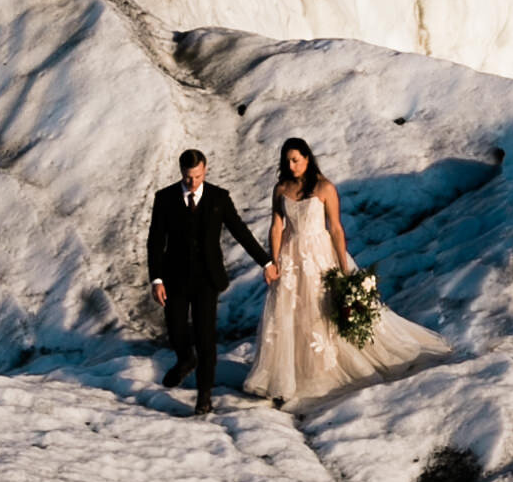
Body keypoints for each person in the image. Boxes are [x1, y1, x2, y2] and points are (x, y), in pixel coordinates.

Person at [244, 137, 451, 407]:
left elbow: (336, 228)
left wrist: (343, 267)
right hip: (291, 256)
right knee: (291, 312)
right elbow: (276, 227)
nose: (291, 165)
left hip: (320, 254)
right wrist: (274, 262)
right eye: (287, 161)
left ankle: (323, 370)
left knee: (322, 311)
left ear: (307, 158)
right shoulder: (281, 188)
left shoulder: (324, 187)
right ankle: (290, 374)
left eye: (296, 159)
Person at [147, 148, 277, 415]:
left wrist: (266, 262)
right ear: (181, 172)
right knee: (176, 329)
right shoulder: (165, 198)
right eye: (187, 177)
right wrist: (156, 279)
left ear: (204, 169)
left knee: (206, 338)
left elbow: (241, 232)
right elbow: (155, 242)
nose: (191, 182)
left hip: (207, 278)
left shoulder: (219, 198)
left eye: (196, 176)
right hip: (174, 277)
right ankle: (185, 359)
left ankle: (204, 396)